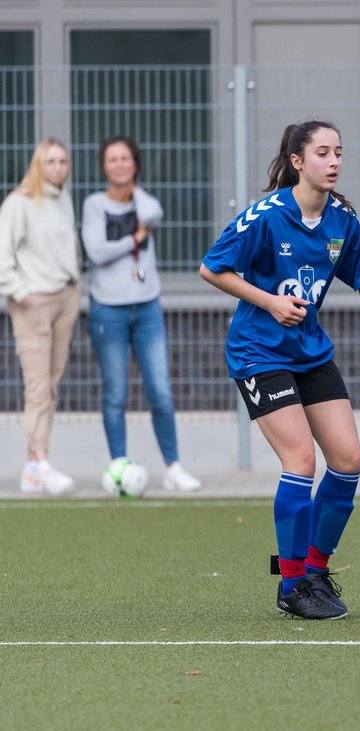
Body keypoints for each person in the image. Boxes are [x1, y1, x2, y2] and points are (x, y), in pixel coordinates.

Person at [198, 120, 360, 620]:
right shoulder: (267, 216)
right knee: (300, 461)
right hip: (259, 353)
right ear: (298, 161)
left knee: (348, 460)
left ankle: (314, 569)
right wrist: (270, 302)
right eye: (322, 152)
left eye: (339, 151)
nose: (334, 161)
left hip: (310, 352)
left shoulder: (342, 220)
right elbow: (212, 268)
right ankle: (290, 586)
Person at [82, 136, 201, 493]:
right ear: (103, 165)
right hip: (109, 310)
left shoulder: (144, 202)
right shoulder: (94, 205)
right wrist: (134, 239)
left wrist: (134, 203)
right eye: (112, 159)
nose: (119, 165)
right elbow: (96, 252)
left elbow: (153, 213)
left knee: (160, 391)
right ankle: (118, 465)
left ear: (135, 163)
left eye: (126, 158)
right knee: (115, 391)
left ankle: (173, 467)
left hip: (147, 308)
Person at [0, 139, 79, 496]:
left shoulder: (63, 199)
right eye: (50, 161)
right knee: (37, 387)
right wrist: (20, 293)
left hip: (65, 298)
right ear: (38, 164)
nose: (58, 167)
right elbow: (3, 255)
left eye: (63, 161)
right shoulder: (18, 203)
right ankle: (41, 462)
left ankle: (33, 467)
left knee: (51, 383)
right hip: (33, 302)